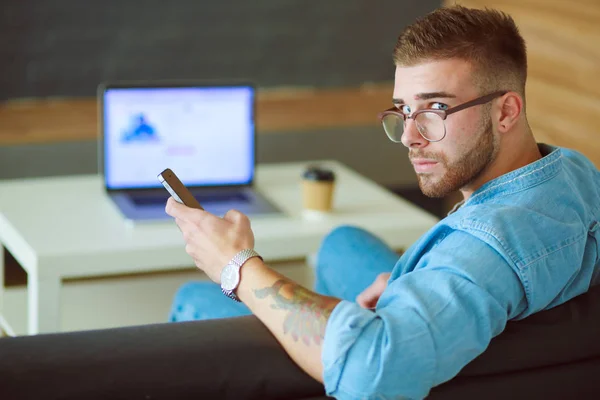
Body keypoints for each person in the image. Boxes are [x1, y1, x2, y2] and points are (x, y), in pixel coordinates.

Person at [164, 5, 600, 399]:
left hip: (391, 356)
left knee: (194, 298)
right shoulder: (572, 172)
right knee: (341, 240)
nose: (410, 136)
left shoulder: (488, 244)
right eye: (403, 111)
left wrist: (237, 265)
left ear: (506, 112)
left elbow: (373, 370)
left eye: (435, 109)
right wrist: (418, 285)